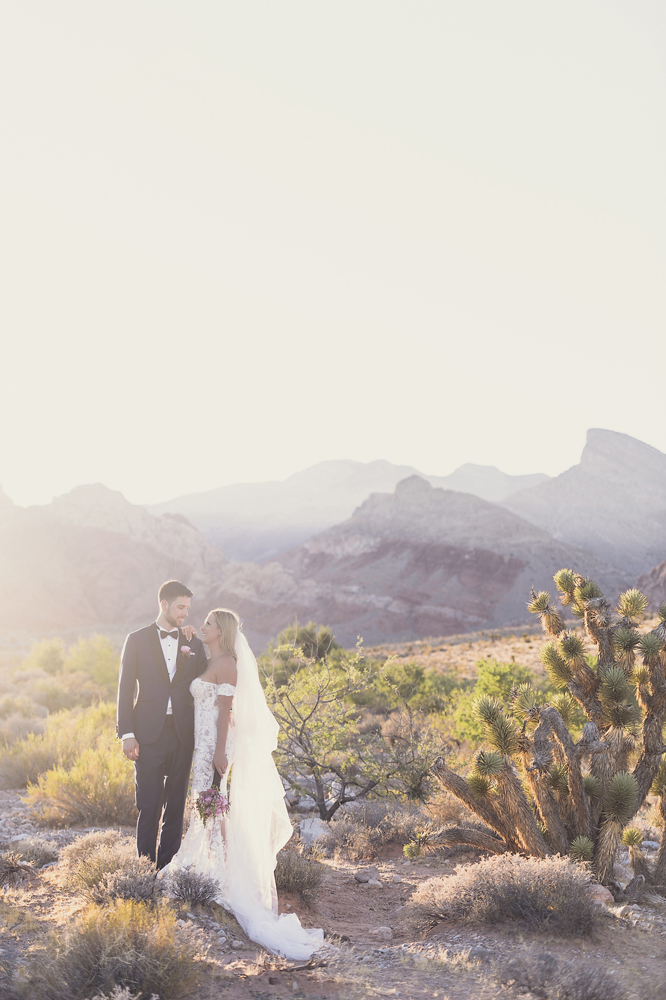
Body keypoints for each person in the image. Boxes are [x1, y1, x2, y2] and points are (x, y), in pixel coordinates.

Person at [160, 607, 323, 960]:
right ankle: (206, 865)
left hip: (213, 746)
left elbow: (224, 712)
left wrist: (220, 751)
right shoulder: (210, 657)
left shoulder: (229, 664)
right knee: (204, 801)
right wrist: (189, 639)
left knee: (209, 799)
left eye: (207, 624)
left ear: (221, 632)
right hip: (202, 742)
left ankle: (215, 873)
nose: (202, 627)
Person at [116, 580, 207, 868]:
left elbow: (207, 679)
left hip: (182, 732)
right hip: (147, 734)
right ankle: (144, 868)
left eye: (188, 609)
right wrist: (126, 733)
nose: (185, 614)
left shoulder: (191, 642)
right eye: (181, 607)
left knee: (176, 804)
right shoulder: (136, 639)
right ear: (163, 604)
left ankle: (166, 869)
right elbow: (125, 688)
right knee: (150, 803)